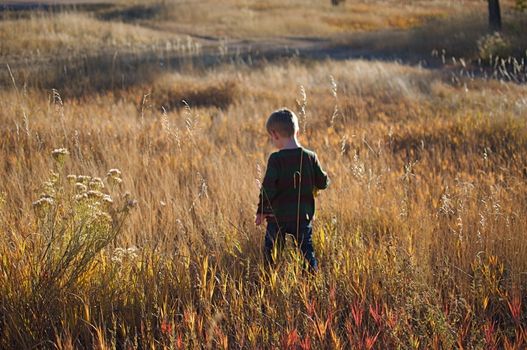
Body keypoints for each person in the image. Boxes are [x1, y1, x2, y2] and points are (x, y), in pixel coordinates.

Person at [255, 108, 329, 273]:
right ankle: (311, 279)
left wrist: (261, 211)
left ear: (274, 134)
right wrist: (324, 179)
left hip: (277, 217)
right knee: (306, 251)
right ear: (297, 131)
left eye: (271, 138)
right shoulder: (310, 157)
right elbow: (323, 182)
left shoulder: (276, 159)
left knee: (272, 253)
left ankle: (269, 278)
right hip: (302, 216)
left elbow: (268, 187)